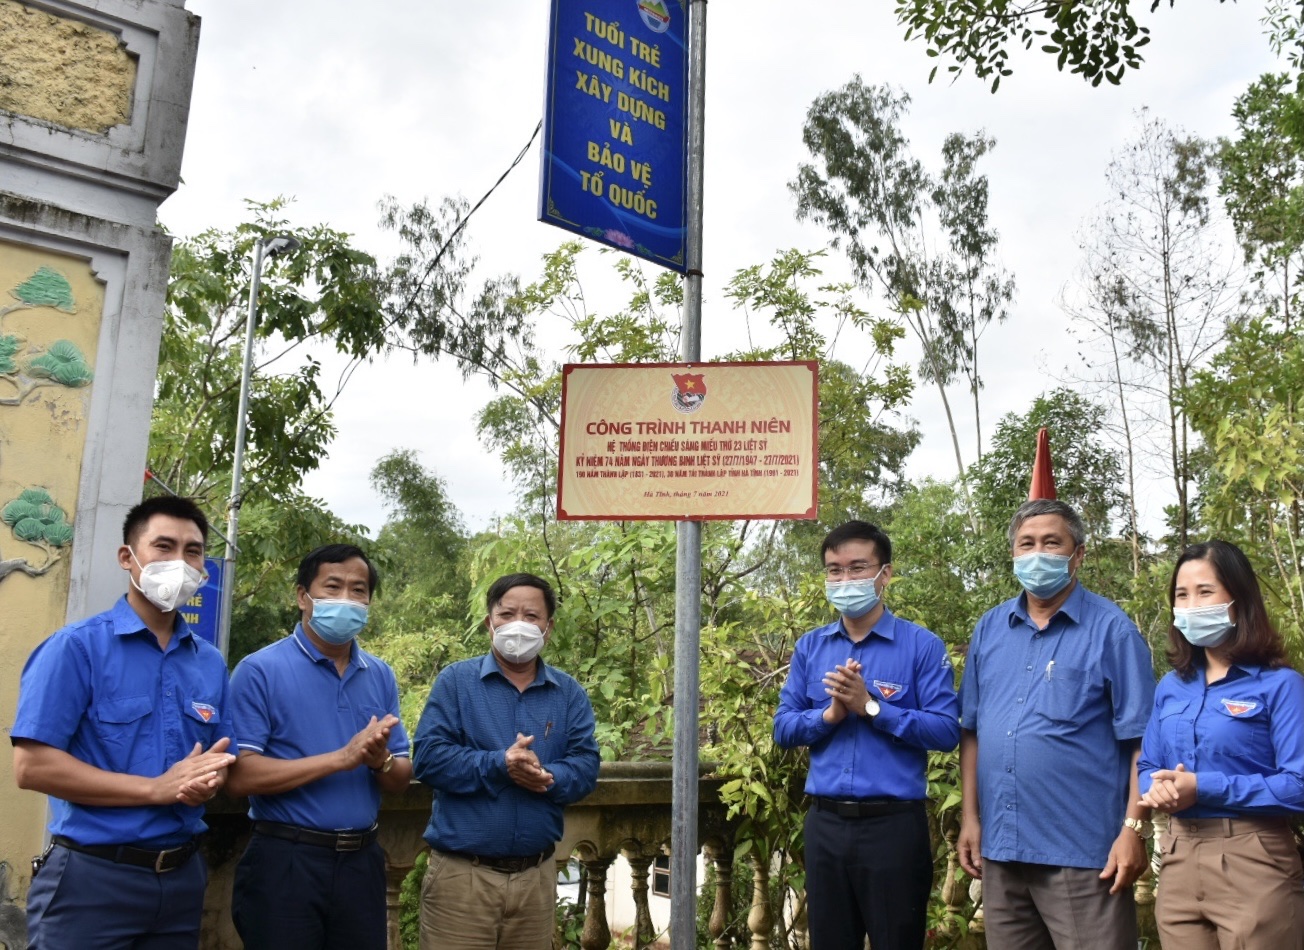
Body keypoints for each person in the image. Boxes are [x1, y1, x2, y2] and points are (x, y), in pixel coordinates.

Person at [11, 495, 237, 949]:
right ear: (127, 557)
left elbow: (220, 758)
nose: (180, 562)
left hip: (182, 880)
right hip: (92, 879)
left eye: (193, 551)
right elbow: (32, 767)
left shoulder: (209, 662)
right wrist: (156, 788)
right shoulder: (75, 648)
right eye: (164, 546)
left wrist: (207, 781)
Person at [957, 498, 1156, 950]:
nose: (1038, 554)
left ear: (1077, 554)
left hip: (1084, 854)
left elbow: (1143, 742)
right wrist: (971, 819)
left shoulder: (1113, 631)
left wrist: (1133, 829)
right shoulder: (990, 628)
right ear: (1013, 553)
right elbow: (972, 730)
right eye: (1026, 544)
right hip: (1002, 851)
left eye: (1052, 543)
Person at [773, 520, 960, 950]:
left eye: (858, 568)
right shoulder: (810, 647)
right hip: (825, 826)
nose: (845, 579)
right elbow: (783, 728)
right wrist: (830, 715)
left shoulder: (921, 646)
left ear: (884, 574)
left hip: (893, 828)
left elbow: (946, 730)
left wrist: (872, 708)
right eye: (834, 570)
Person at [226, 543, 412, 950]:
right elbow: (240, 777)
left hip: (362, 861)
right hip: (286, 860)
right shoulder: (260, 670)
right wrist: (341, 758)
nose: (346, 598)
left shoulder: (379, 674)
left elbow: (400, 776)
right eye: (333, 587)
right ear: (302, 596)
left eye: (358, 590)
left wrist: (380, 761)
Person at [412, 572, 600, 950]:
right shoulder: (456, 682)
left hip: (537, 880)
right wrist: (500, 764)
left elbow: (585, 765)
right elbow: (429, 758)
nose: (518, 624)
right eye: (507, 614)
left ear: (548, 628)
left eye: (531, 616)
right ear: (489, 623)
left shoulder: (568, 693)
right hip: (462, 880)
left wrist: (546, 775)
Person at [1137, 539, 1304, 949]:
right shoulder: (1171, 686)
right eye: (1181, 595)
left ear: (1238, 599)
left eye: (1205, 591)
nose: (1191, 605)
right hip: (1177, 857)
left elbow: (1299, 784)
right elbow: (1148, 765)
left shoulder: (1281, 685)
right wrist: (1156, 790)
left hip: (1254, 857)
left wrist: (1204, 787)